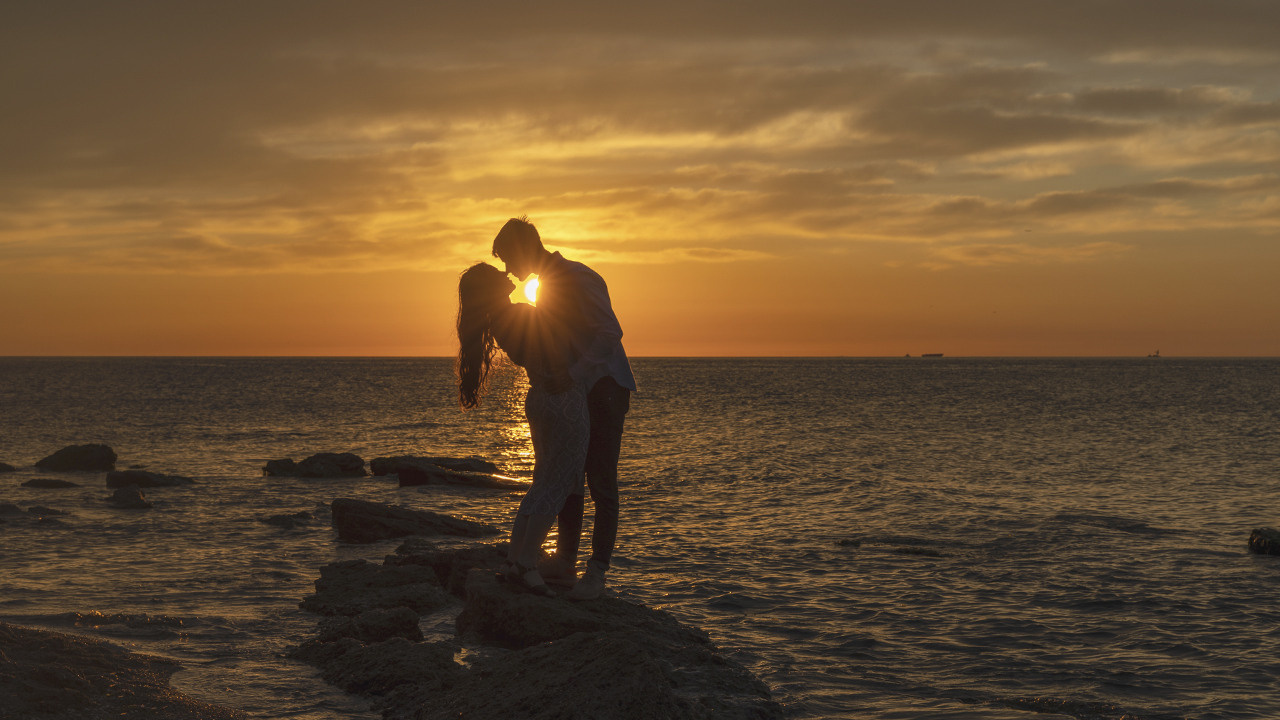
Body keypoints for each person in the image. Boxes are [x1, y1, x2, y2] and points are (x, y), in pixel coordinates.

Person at [492, 217, 635, 600]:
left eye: (508, 258)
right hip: (577, 391)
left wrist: (573, 373)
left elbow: (609, 334)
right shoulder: (546, 289)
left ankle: (597, 573)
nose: (508, 269)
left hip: (604, 388)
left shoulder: (579, 278)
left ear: (524, 248)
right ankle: (565, 560)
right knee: (568, 476)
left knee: (601, 481)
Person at [456, 262, 588, 597]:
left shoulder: (500, 321)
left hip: (541, 398)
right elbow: (561, 346)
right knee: (559, 483)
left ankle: (517, 561)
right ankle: (527, 564)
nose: (506, 274)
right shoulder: (517, 314)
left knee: (542, 482)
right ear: (491, 289)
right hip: (562, 400)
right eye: (496, 275)